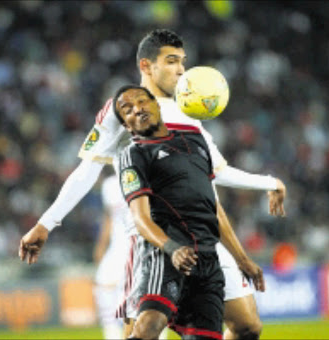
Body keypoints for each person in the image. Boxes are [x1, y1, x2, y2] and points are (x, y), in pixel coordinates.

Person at [19, 29, 286, 340]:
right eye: (171, 61)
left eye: (182, 62)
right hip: (156, 240)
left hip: (205, 235)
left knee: (248, 327)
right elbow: (86, 170)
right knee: (145, 332)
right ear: (146, 66)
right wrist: (46, 223)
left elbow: (219, 172)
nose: (181, 70)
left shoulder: (189, 113)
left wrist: (269, 183)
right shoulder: (124, 109)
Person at [114, 84, 226, 339]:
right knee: (149, 325)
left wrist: (241, 258)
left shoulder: (195, 140)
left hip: (207, 260)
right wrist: (172, 248)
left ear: (156, 104)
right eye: (127, 110)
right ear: (127, 127)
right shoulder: (134, 155)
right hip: (165, 253)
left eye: (141, 101)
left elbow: (213, 206)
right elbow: (140, 218)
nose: (137, 110)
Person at [93, 174, 130, 339]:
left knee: (144, 299)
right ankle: (112, 334)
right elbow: (108, 217)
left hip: (140, 245)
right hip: (117, 246)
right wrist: (101, 245)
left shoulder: (146, 176)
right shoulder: (109, 185)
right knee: (103, 284)